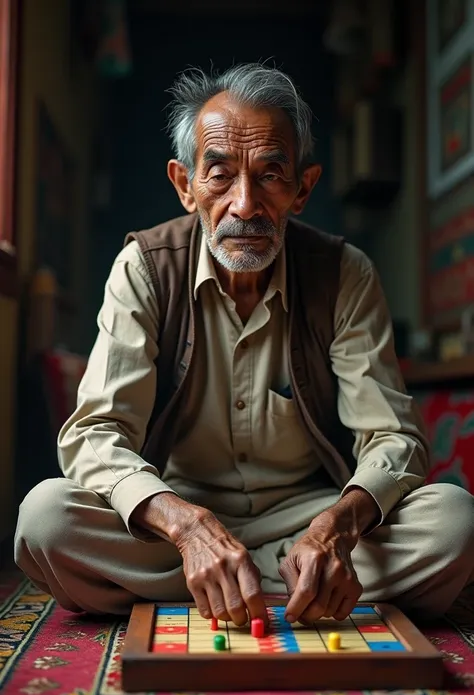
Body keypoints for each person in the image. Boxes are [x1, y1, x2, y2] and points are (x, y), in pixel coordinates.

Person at [15, 64, 474, 625]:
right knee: (45, 520)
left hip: (309, 523)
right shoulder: (145, 268)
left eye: (271, 175)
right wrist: (187, 527)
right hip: (172, 529)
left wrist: (336, 530)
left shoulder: (344, 274)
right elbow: (95, 434)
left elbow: (393, 439)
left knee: (454, 522)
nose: (245, 204)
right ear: (185, 186)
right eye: (220, 174)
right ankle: (289, 593)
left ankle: (277, 584)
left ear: (302, 189)